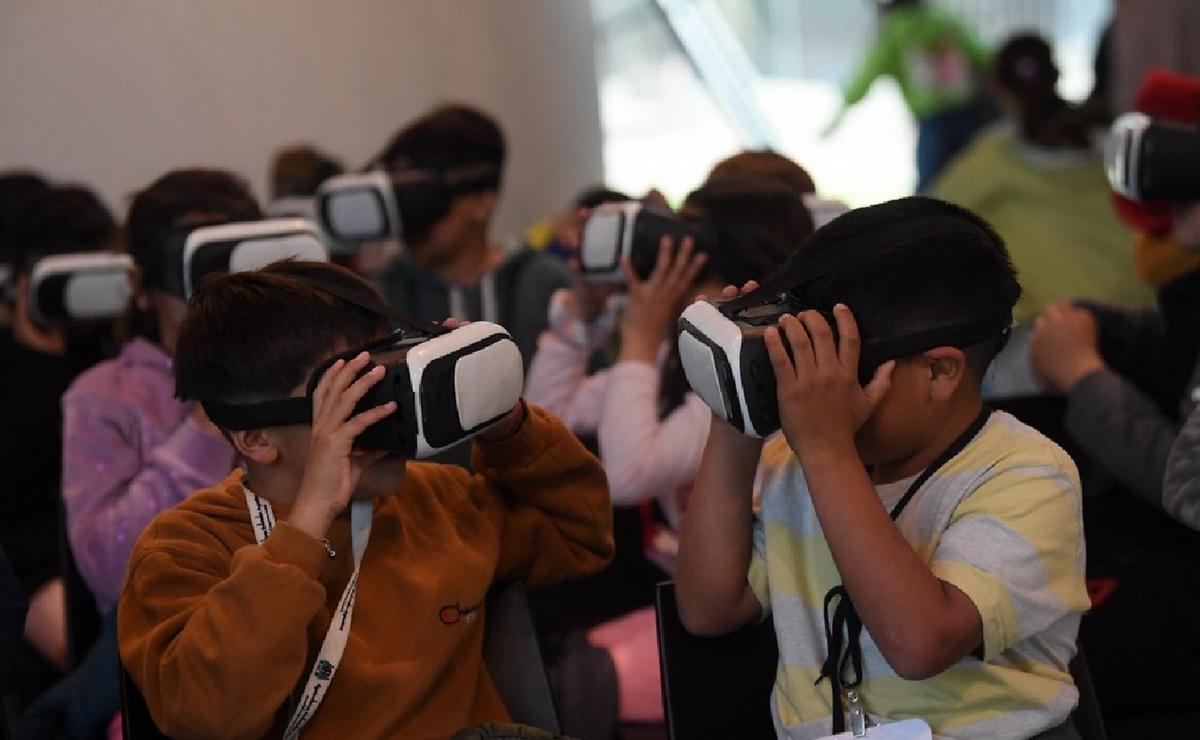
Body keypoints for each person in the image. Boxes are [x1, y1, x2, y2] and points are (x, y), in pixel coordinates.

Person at [117, 260, 614, 738]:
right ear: (256, 439)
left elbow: (580, 535)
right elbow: (210, 716)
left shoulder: (436, 502)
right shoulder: (185, 548)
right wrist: (308, 523)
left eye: (390, 375)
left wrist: (504, 422)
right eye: (356, 398)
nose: (392, 410)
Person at [677, 197, 1089, 738]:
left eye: (843, 370)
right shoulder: (797, 460)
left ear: (940, 372)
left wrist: (827, 451)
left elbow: (920, 643)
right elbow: (709, 608)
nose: (813, 395)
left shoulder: (1027, 477)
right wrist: (736, 417)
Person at [526, 176, 814, 723]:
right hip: (690, 602)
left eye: (692, 271)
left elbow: (628, 474)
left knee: (581, 680)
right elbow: (550, 418)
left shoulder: (749, 379)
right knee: (558, 654)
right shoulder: (671, 363)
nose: (671, 287)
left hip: (758, 620)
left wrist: (638, 336)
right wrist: (582, 323)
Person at [61, 169, 259, 618]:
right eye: (194, 267)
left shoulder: (292, 370)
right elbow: (108, 568)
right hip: (165, 635)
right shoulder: (104, 396)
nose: (216, 290)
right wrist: (209, 419)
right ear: (142, 288)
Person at [931, 33, 1152, 327]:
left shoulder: (991, 158)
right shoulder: (1114, 141)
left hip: (1059, 325)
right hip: (1147, 305)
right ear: (1056, 74)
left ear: (998, 88)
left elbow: (930, 214)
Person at [373, 104, 570, 367]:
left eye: (426, 201)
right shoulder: (383, 297)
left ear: (483, 201)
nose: (412, 221)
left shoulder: (543, 284)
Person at [824, 0, 991, 191]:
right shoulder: (946, 21)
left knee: (930, 185)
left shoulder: (893, 33)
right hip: (972, 112)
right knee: (974, 178)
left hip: (933, 117)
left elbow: (866, 75)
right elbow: (984, 57)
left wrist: (839, 114)